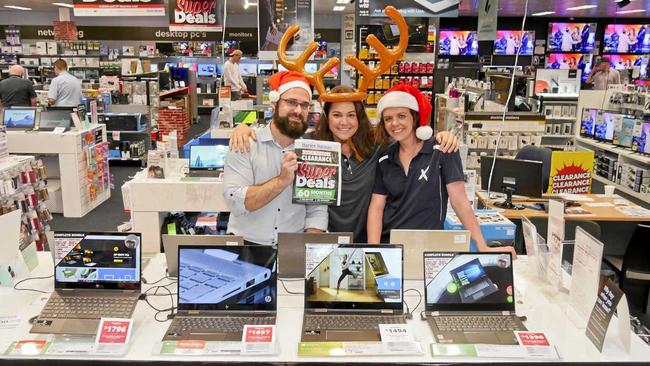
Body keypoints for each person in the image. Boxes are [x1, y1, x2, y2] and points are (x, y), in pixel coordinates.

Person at [229, 85, 459, 242]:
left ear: (359, 117)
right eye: (337, 115)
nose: (344, 122)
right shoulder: (310, 144)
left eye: (351, 115)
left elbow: (407, 135)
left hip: (367, 240)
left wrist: (441, 135)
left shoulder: (378, 146)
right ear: (327, 118)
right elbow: (280, 135)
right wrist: (243, 128)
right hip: (322, 240)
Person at [367, 84, 516, 258]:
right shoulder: (385, 157)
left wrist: (482, 246)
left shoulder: (442, 150)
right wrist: (374, 250)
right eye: (388, 118)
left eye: (402, 116)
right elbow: (377, 208)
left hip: (429, 247)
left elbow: (459, 201)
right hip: (391, 246)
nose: (394, 123)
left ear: (415, 118)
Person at [223, 71, 327, 245]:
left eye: (304, 105)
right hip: (246, 246)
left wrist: (309, 252)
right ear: (274, 103)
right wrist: (281, 181)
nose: (298, 110)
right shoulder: (246, 143)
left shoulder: (312, 151)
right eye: (291, 102)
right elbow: (235, 200)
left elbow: (317, 208)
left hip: (292, 247)